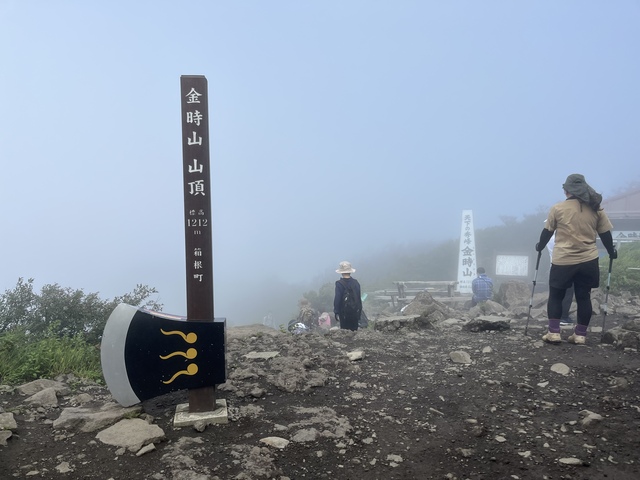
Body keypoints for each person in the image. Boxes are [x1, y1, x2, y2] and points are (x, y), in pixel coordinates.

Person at [535, 173, 617, 345]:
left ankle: (554, 333)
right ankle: (580, 335)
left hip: (563, 260)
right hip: (588, 260)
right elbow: (605, 234)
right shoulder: (596, 208)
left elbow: (547, 232)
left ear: (566, 191)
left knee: (556, 296)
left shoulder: (557, 209)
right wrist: (611, 252)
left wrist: (540, 246)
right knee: (583, 297)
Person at [545, 224, 574, 325]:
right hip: (566, 266)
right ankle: (563, 317)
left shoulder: (549, 238)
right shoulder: (559, 238)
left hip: (554, 267)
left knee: (555, 294)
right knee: (568, 293)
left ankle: (554, 318)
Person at [333, 261, 363, 331]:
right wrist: (359, 311)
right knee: (354, 331)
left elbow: (337, 298)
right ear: (350, 271)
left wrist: (336, 311)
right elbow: (358, 298)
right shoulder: (356, 283)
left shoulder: (339, 284)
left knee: (345, 332)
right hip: (355, 311)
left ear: (341, 272)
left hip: (343, 312)